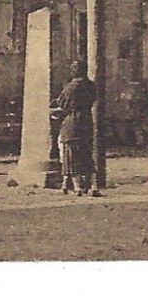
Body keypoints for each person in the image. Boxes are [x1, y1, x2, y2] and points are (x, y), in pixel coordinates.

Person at [52, 61, 96, 196]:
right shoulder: (91, 86)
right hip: (87, 121)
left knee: (70, 154)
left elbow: (63, 105)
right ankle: (93, 186)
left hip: (73, 122)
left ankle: (77, 188)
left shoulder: (71, 87)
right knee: (87, 155)